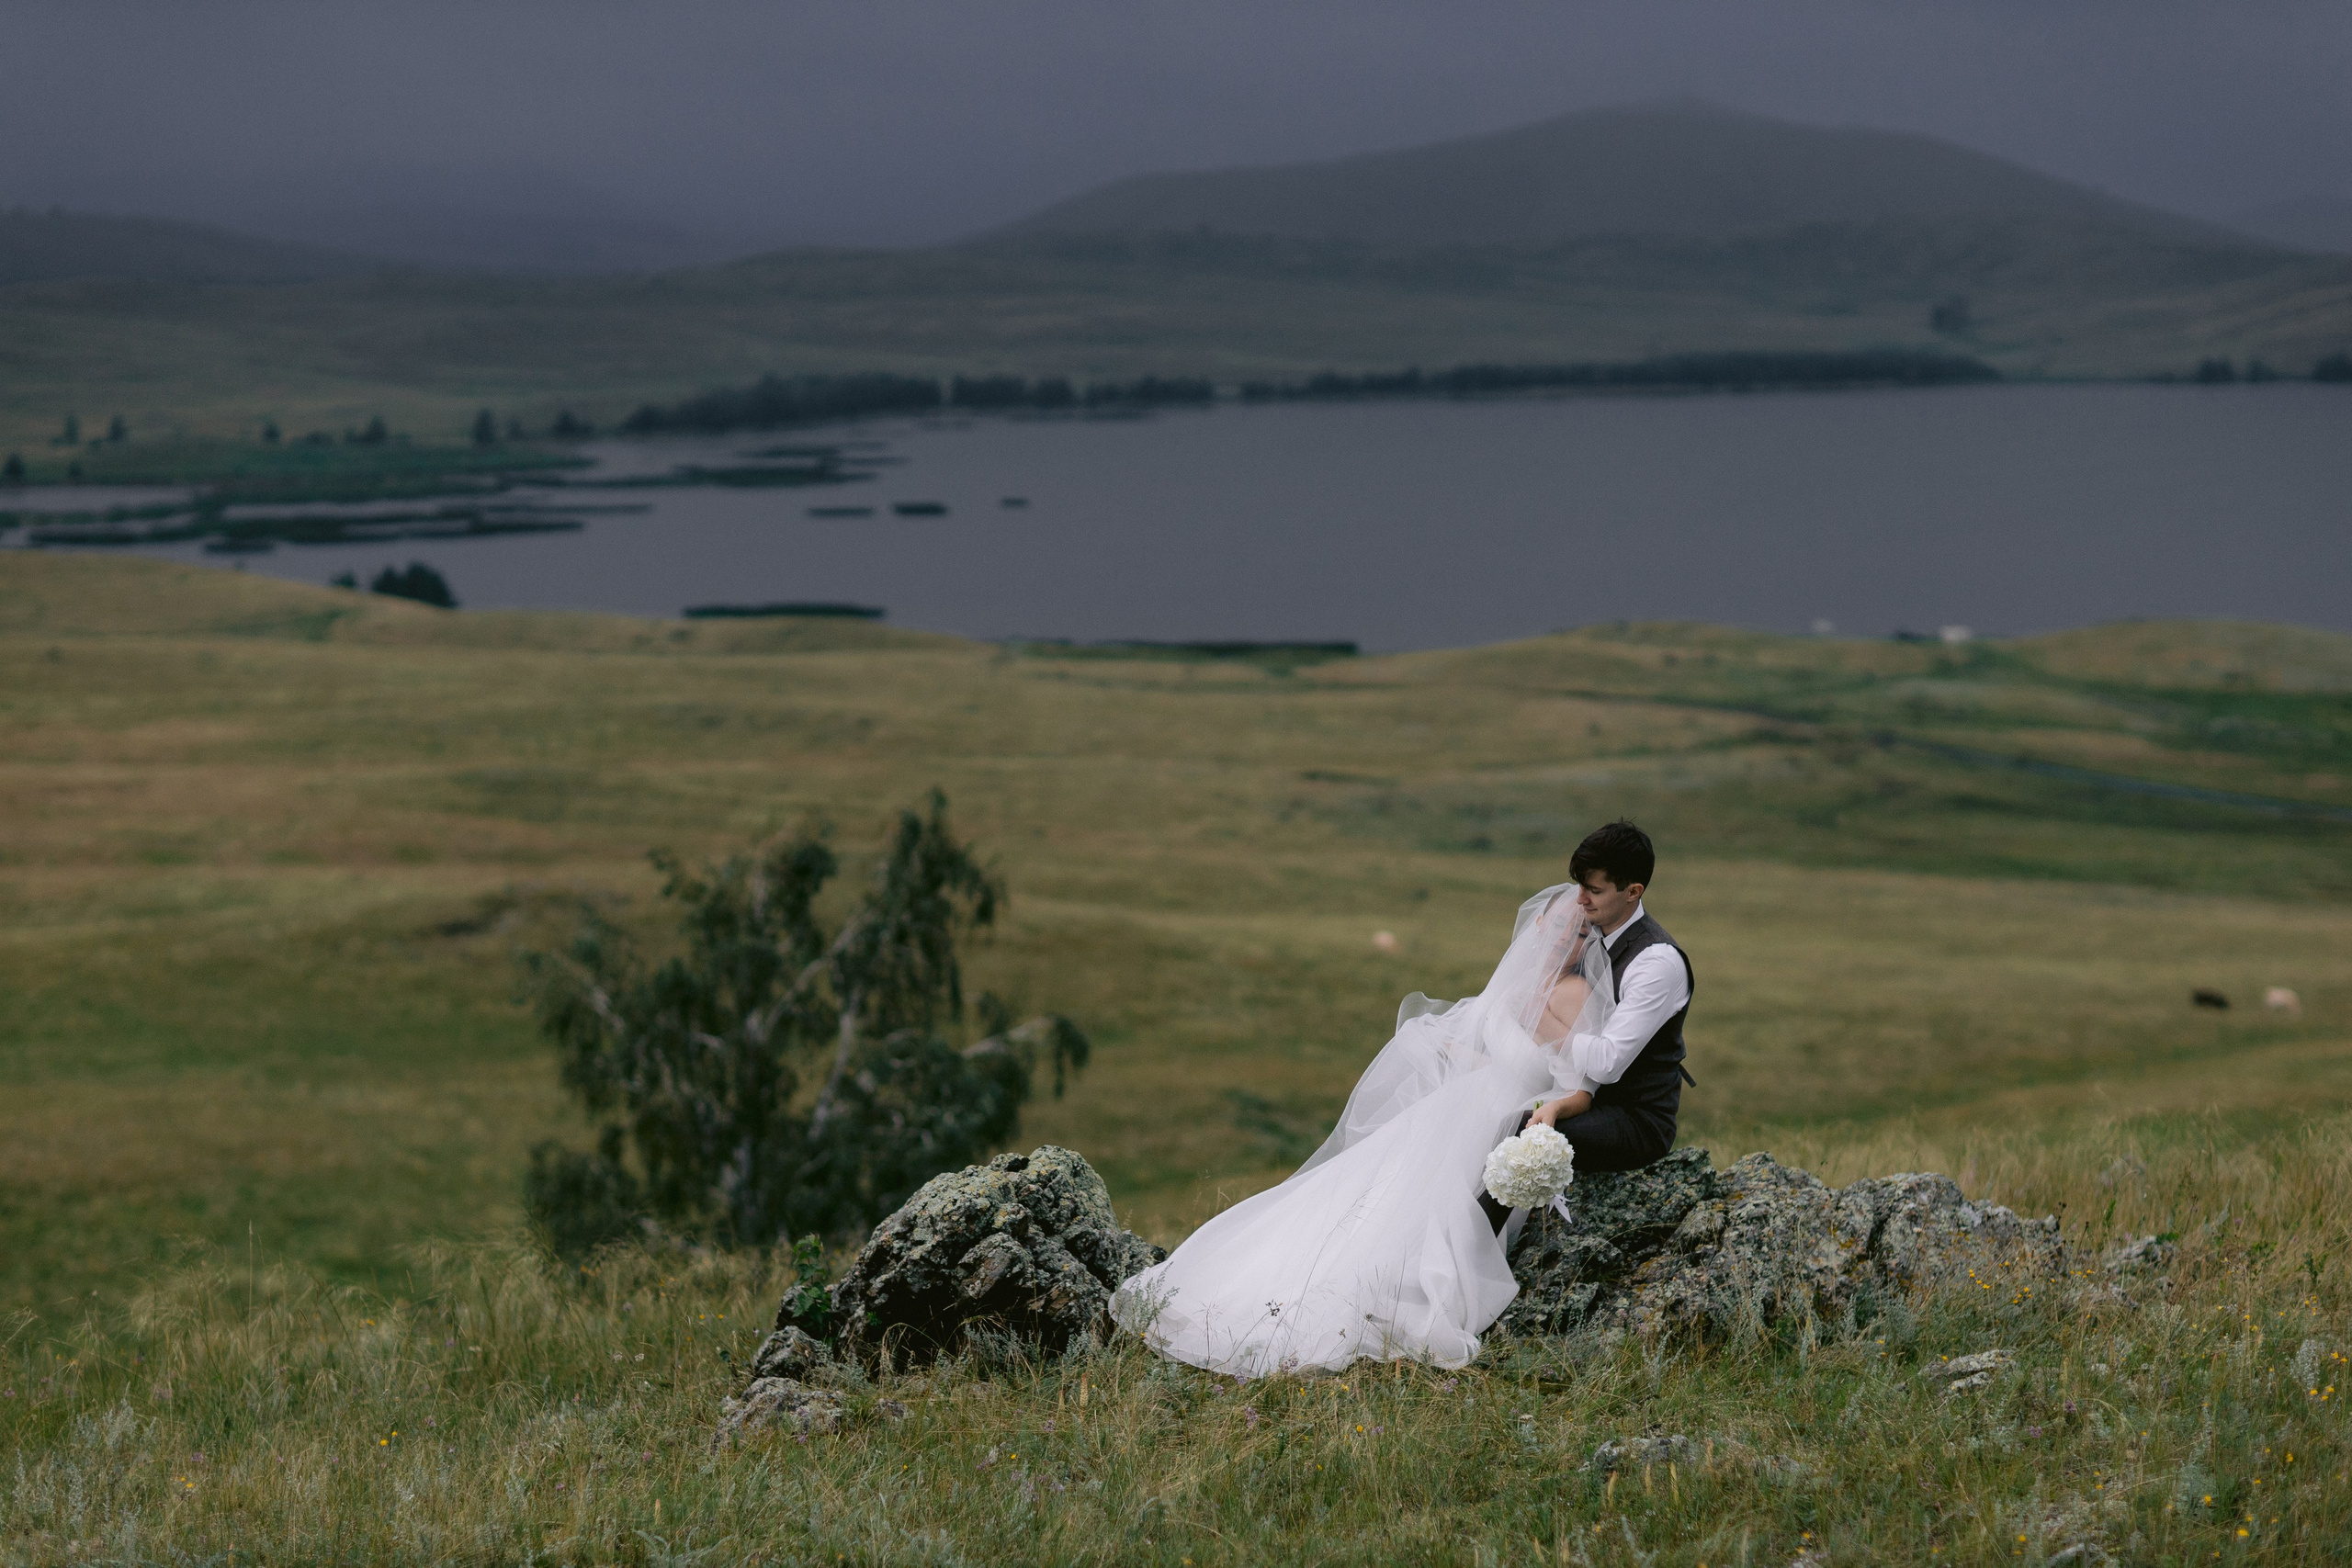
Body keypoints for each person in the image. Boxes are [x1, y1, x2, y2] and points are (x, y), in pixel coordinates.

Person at [1111, 820, 1693, 1377]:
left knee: (1486, 1154)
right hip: (1487, 1099)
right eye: (1565, 920)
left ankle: (1444, 1275)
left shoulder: (1641, 966)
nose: (1578, 918)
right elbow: (1508, 1051)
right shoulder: (1546, 980)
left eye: (1589, 902)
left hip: (1612, 1115)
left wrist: (1544, 1037)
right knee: (1395, 1182)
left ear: (1631, 892)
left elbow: (1598, 1066)